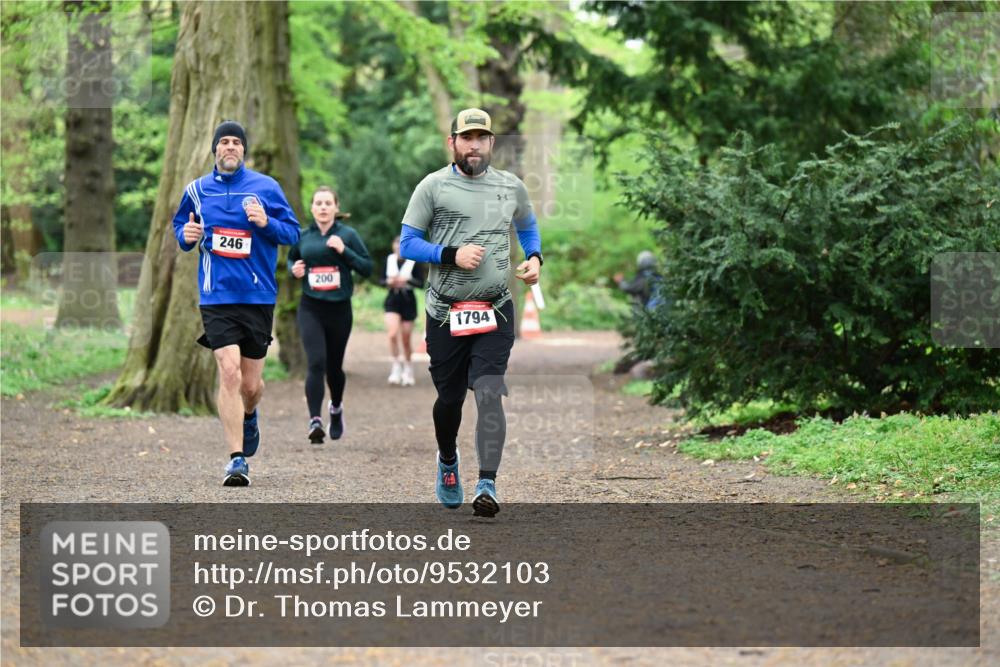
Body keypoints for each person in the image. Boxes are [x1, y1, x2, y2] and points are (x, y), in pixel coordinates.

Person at [398, 108, 543, 517]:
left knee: (488, 390)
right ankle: (448, 460)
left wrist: (535, 258)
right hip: (446, 311)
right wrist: (450, 254)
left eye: (482, 138)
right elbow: (408, 244)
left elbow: (528, 226)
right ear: (453, 143)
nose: (474, 145)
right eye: (467, 138)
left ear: (492, 143)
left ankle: (487, 483)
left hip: (496, 308)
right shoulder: (432, 187)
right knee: (448, 400)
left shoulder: (511, 186)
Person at [172, 120, 300, 486]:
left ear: (244, 150)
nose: (230, 147)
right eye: (224, 142)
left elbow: (292, 232)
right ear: (215, 149)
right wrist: (187, 235)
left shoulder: (266, 187)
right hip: (217, 295)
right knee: (228, 371)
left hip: (258, 295)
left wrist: (264, 223)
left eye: (236, 143)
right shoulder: (196, 191)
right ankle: (236, 458)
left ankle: (250, 414)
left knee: (250, 385)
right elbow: (181, 227)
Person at [288, 186, 373, 444]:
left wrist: (343, 251)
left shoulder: (348, 234)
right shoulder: (303, 236)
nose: (323, 207)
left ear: (336, 208)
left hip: (339, 309)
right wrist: (295, 269)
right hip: (311, 307)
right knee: (315, 362)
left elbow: (367, 267)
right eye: (318, 203)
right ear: (312, 208)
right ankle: (315, 420)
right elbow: (292, 260)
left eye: (328, 203)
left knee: (334, 368)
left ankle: (335, 408)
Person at [381, 235, 424, 386]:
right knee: (392, 334)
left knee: (406, 339)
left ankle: (408, 368)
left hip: (408, 301)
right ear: (393, 246)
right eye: (396, 244)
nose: (399, 247)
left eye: (401, 245)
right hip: (392, 299)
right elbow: (381, 280)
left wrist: (407, 280)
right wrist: (389, 281)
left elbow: (421, 283)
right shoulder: (389, 260)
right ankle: (396, 366)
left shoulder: (414, 261)